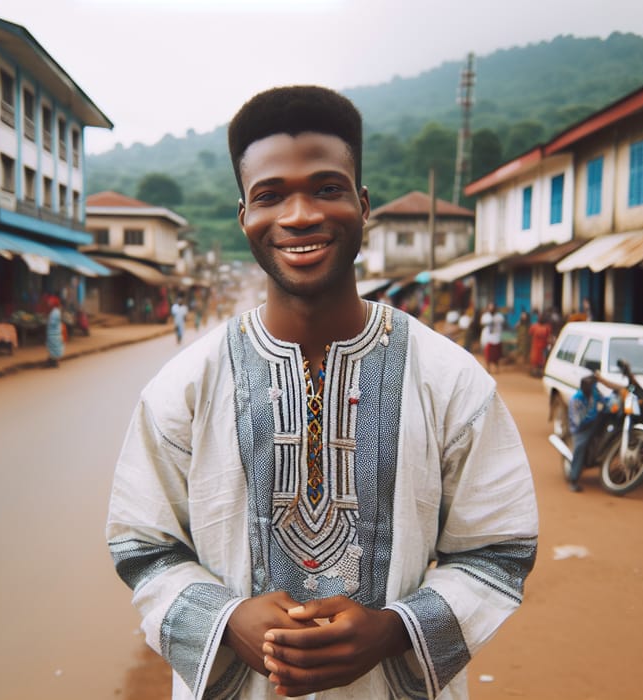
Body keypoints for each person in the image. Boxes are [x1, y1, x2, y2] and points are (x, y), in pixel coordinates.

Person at [106, 85, 538, 700]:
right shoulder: (184, 386)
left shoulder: (451, 380)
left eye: (327, 189)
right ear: (244, 217)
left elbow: (500, 548)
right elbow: (142, 544)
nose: (300, 214)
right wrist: (228, 622)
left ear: (363, 205)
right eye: (270, 195)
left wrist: (395, 630)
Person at [568, 371, 625, 492]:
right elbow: (577, 421)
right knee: (580, 447)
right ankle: (573, 479)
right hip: (582, 428)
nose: (592, 390)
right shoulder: (576, 400)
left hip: (595, 420)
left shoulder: (594, 391)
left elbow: (604, 401)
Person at [479, 302, 505, 373]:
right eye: (490, 307)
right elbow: (482, 323)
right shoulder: (485, 316)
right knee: (488, 355)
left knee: (496, 356)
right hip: (488, 338)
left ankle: (497, 369)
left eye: (493, 307)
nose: (492, 309)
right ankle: (488, 368)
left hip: (496, 337)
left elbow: (502, 323)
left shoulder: (499, 316)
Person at [528, 312, 552, 377]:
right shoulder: (535, 326)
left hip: (542, 347)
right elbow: (530, 334)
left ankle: (539, 372)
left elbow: (549, 337)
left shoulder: (546, 327)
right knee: (536, 360)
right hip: (537, 346)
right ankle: (535, 372)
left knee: (540, 360)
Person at [45, 295, 64, 368]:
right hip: (53, 333)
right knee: (53, 348)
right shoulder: (55, 311)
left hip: (54, 333)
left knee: (54, 348)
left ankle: (55, 362)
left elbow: (53, 322)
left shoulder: (55, 312)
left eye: (50, 303)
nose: (49, 304)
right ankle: (53, 362)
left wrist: (48, 321)